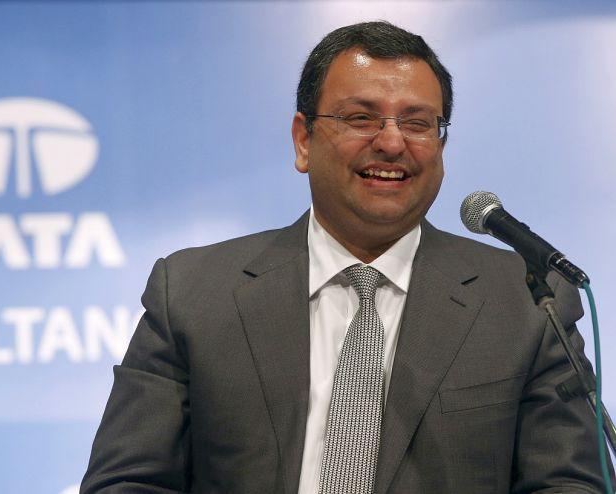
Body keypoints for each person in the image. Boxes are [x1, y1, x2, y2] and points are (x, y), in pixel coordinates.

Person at [81, 21, 613, 493]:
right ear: (303, 140)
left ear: (442, 147)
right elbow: (127, 482)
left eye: (418, 122)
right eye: (361, 117)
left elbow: (568, 483)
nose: (391, 142)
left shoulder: (526, 300)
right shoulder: (194, 294)